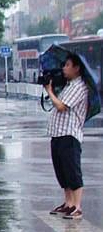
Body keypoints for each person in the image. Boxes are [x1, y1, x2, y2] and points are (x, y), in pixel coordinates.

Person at [46, 53, 89, 220]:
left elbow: (62, 106)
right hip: (58, 134)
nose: (64, 68)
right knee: (62, 171)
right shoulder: (68, 85)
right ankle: (68, 203)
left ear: (76, 68)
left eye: (67, 65)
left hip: (69, 135)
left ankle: (77, 206)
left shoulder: (79, 87)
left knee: (72, 171)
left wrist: (49, 91)